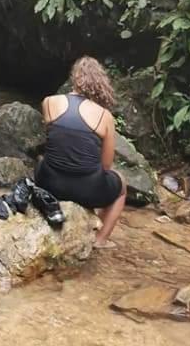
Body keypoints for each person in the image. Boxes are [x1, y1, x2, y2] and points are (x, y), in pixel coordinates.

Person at [35, 56, 126, 249]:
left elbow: (53, 140)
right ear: (99, 83)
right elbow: (106, 165)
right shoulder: (105, 116)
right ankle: (100, 239)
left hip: (50, 183)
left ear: (74, 78)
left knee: (42, 159)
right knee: (122, 185)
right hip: (87, 190)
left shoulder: (49, 102)